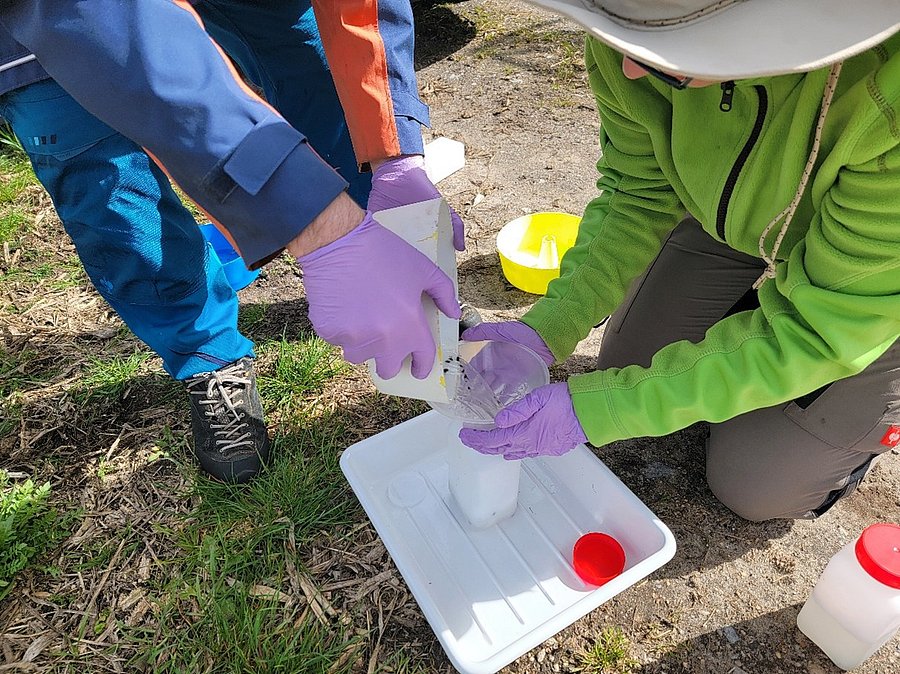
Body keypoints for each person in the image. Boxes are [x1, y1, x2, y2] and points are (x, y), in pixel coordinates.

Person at [460, 0, 900, 521]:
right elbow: (638, 193)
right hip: (737, 220)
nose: (628, 67)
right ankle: (749, 323)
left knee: (758, 485)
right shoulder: (631, 38)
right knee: (628, 366)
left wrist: (602, 408)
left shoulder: (885, 102)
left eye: (671, 44)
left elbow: (817, 332)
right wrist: (549, 326)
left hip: (865, 293)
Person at [0, 1, 465, 483]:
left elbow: (362, 12)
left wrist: (394, 152)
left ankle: (406, 289)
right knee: (110, 192)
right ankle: (207, 353)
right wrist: (322, 229)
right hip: (55, 20)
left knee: (317, 71)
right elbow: (111, 28)